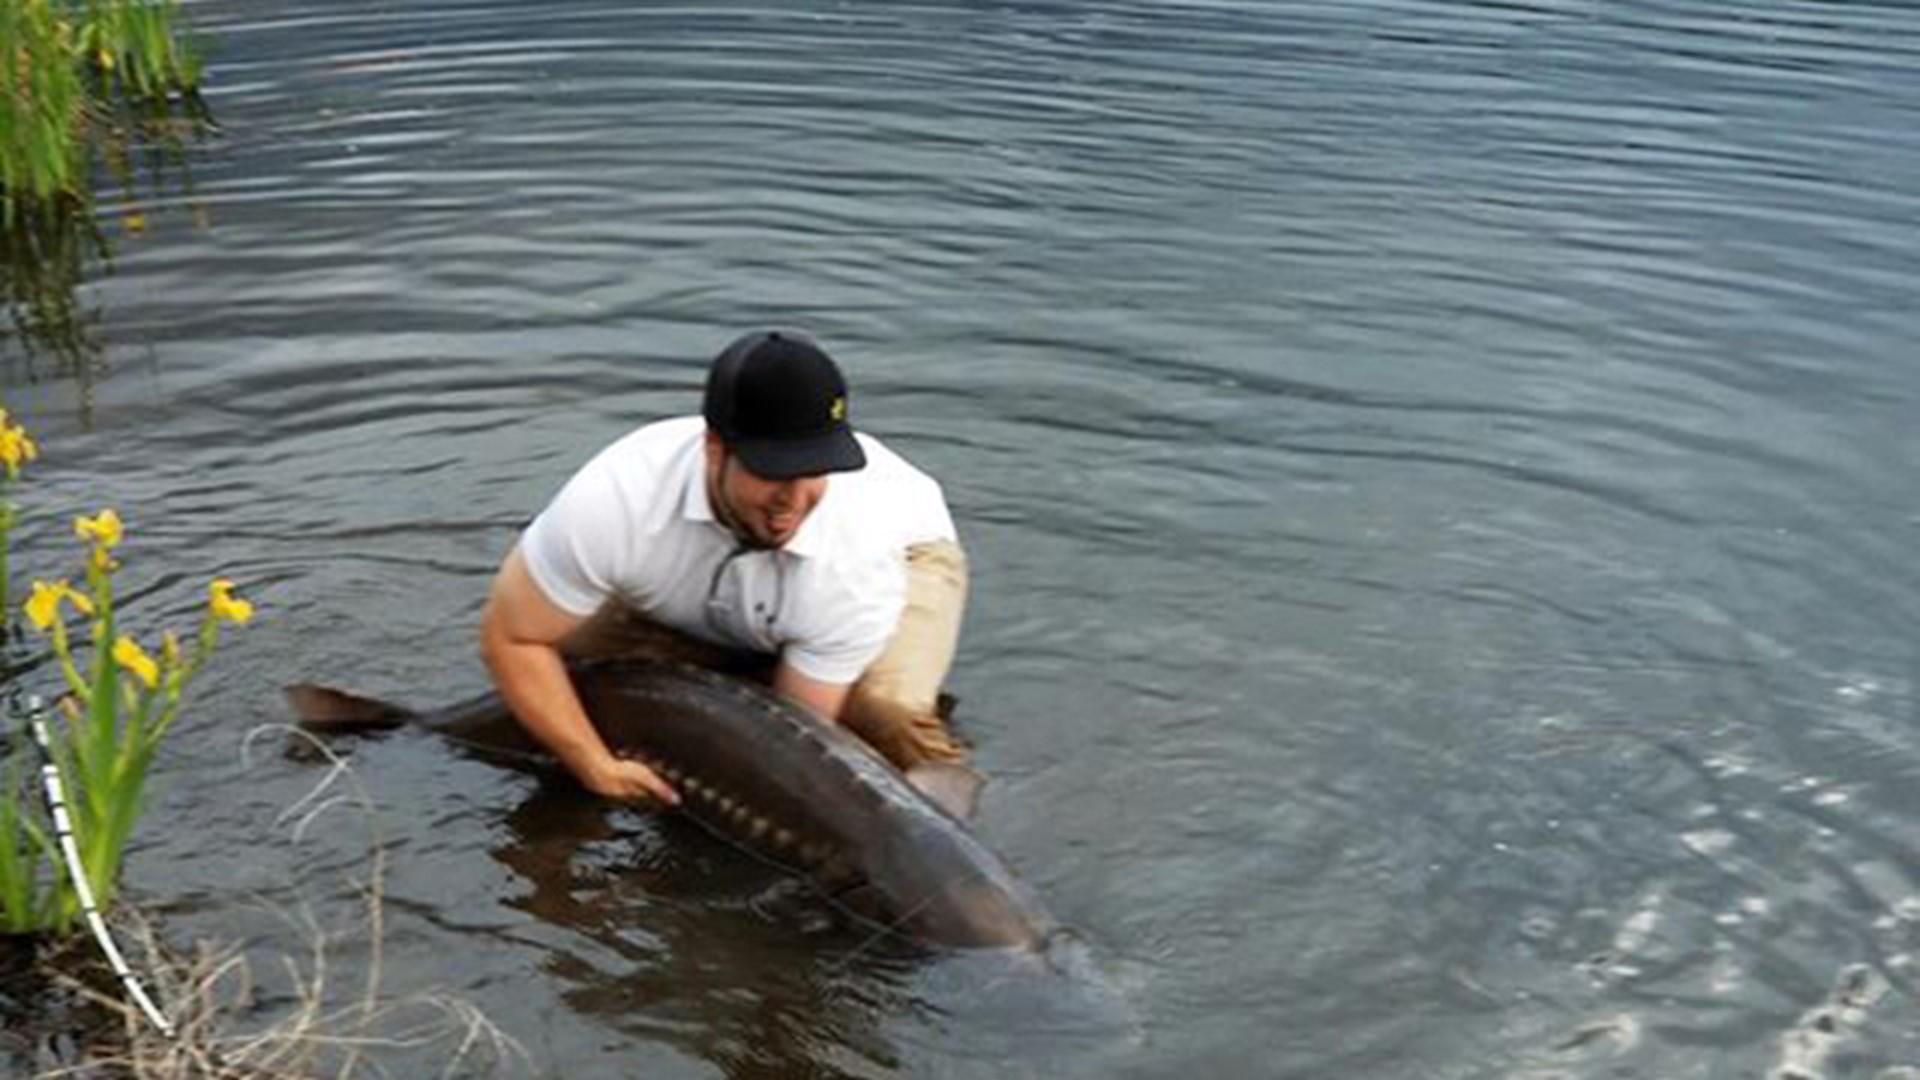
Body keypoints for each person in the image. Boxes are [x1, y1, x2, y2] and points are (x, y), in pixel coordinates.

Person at [478, 330, 969, 807]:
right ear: (714, 449)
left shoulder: (855, 560)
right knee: (568, 660)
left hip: (909, 555)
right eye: (773, 471)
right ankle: (757, 651)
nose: (794, 503)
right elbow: (513, 638)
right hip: (719, 574)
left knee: (885, 713)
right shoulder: (620, 500)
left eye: (815, 469)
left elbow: (789, 749)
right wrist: (593, 764)